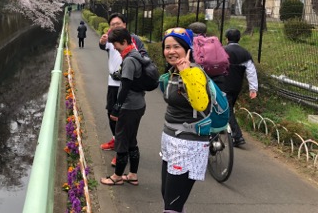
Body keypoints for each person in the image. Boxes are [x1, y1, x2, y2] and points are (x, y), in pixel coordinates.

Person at [159, 27, 210, 213]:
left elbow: (201, 104)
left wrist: (187, 72)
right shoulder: (173, 72)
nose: (171, 51)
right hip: (171, 141)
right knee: (168, 196)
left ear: (187, 48)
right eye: (167, 47)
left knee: (172, 205)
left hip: (188, 145)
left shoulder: (194, 72)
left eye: (176, 47)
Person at [98, 13, 148, 166]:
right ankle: (116, 141)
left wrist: (132, 65)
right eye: (112, 24)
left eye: (118, 23)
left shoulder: (134, 40)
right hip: (113, 82)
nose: (115, 26)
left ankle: (122, 152)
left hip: (128, 84)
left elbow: (144, 56)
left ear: (125, 24)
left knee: (123, 118)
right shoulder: (110, 38)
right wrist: (101, 42)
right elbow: (103, 47)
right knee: (111, 113)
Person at [220, 28, 258, 147]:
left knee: (227, 110)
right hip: (237, 86)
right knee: (229, 108)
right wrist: (253, 88)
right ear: (239, 38)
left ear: (226, 38)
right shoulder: (245, 53)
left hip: (223, 84)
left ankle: (237, 136)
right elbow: (251, 71)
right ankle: (223, 127)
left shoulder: (222, 51)